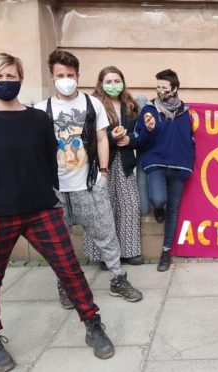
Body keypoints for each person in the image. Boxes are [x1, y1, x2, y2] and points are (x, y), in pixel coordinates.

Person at [0, 53, 115, 371]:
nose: (5, 82)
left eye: (11, 76)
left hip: (40, 210)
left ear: (21, 77)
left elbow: (49, 161)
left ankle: (93, 325)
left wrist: (51, 195)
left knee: (69, 268)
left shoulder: (38, 119)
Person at [34, 50, 142, 306]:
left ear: (78, 75)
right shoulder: (40, 110)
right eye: (60, 75)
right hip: (56, 188)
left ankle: (118, 279)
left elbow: (103, 138)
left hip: (89, 183)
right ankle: (66, 285)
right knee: (59, 241)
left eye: (70, 75)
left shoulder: (92, 104)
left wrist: (103, 172)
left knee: (106, 234)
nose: (66, 79)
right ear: (52, 76)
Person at [134, 69, 195, 272]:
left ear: (175, 88)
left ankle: (166, 252)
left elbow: (190, 140)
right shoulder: (149, 110)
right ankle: (159, 208)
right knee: (159, 200)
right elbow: (139, 141)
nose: (161, 90)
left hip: (180, 167)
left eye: (165, 87)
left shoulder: (186, 112)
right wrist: (148, 130)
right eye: (158, 86)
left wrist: (189, 163)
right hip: (157, 165)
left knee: (174, 210)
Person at [84, 66, 143, 267]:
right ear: (101, 84)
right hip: (102, 164)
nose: (113, 85)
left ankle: (129, 252)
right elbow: (87, 137)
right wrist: (110, 137)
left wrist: (130, 139)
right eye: (108, 82)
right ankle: (104, 255)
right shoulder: (92, 104)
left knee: (129, 205)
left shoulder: (131, 106)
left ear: (123, 82)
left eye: (116, 80)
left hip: (125, 163)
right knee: (102, 208)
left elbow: (142, 135)